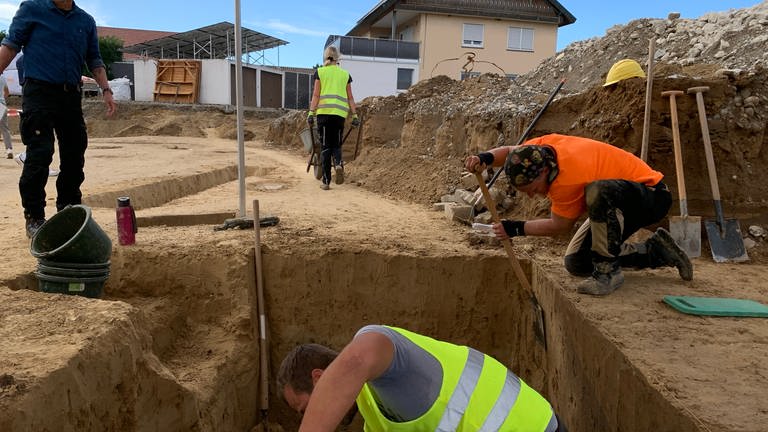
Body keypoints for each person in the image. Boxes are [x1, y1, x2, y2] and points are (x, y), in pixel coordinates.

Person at [464, 133, 693, 296]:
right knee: (577, 262)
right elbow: (510, 152)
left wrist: (515, 228)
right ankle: (657, 251)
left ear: (544, 171)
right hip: (618, 200)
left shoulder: (567, 179)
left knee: (598, 191)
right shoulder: (538, 150)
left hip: (651, 196)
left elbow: (559, 226)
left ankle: (608, 272)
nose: (534, 196)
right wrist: (485, 158)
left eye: (533, 189)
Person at [278, 324, 564, 431]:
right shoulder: (370, 405)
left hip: (530, 426)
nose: (309, 415)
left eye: (306, 409)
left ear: (320, 378)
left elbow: (357, 357)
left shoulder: (381, 354)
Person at [0, 0, 117, 238]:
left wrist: (106, 90)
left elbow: (94, 59)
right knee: (40, 154)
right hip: (39, 93)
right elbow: (11, 46)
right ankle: (34, 217)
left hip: (70, 95)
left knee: (75, 154)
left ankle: (68, 209)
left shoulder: (85, 21)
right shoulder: (32, 9)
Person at [307, 45, 359, 190]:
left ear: (325, 57)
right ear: (338, 58)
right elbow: (350, 97)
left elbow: (316, 95)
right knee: (336, 144)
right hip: (339, 116)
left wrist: (311, 113)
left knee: (325, 147)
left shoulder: (320, 72)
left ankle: (326, 181)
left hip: (324, 114)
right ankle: (338, 164)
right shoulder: (345, 75)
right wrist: (355, 115)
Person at [1, 74, 12, 158]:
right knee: (5, 129)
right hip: (2, 105)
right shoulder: (2, 78)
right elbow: (7, 92)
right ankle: (9, 150)